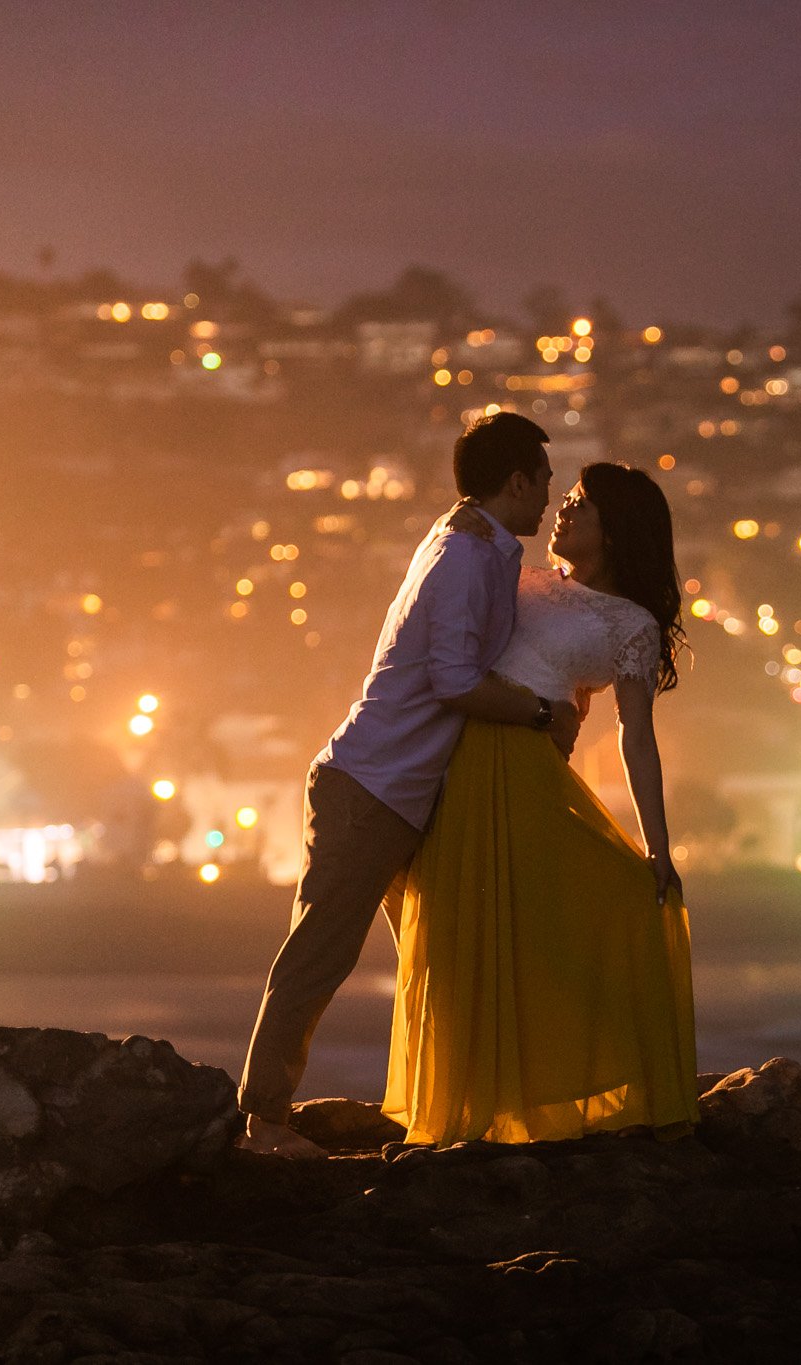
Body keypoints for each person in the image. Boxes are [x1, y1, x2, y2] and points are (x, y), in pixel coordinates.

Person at [238, 412, 581, 1159]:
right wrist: (539, 713)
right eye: (546, 481)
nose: (552, 497)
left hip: (403, 793)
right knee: (321, 950)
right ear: (516, 480)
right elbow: (456, 680)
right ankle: (261, 1121)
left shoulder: (477, 547)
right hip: (371, 783)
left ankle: (450, 1106)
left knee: (440, 956)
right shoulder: (462, 555)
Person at [382, 461, 700, 1145]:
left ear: (613, 530)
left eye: (581, 504)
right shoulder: (517, 575)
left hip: (523, 773)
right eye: (567, 497)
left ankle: (531, 1102)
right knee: (450, 925)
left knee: (519, 934)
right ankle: (461, 1106)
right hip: (451, 752)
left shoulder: (631, 625)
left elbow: (635, 735)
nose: (563, 509)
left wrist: (657, 846)